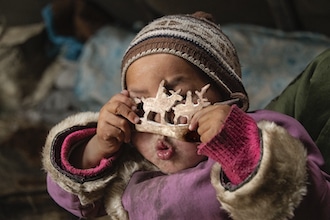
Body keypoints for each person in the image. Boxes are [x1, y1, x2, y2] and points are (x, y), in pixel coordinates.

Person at [42, 11, 330, 220]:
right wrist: (97, 148)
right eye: (143, 106)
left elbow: (311, 202)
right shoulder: (131, 162)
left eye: (178, 97)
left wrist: (237, 143)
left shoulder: (262, 133)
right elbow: (76, 200)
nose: (160, 123)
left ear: (227, 101)